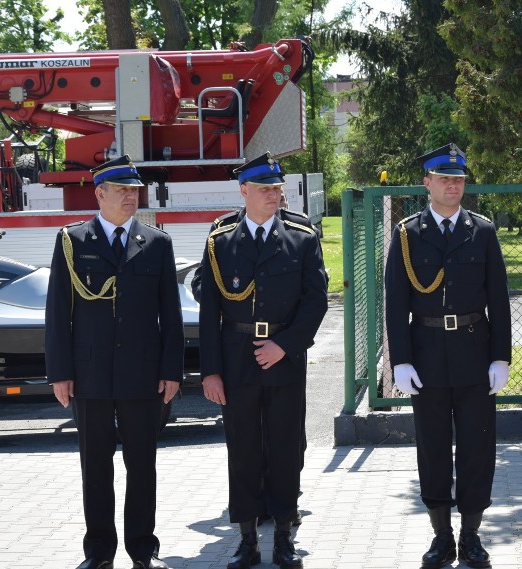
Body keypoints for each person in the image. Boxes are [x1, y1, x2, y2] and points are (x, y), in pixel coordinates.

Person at [45, 155, 184, 569]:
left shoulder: (157, 243)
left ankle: (143, 549)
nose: (130, 197)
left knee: (142, 465)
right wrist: (60, 372)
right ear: (100, 194)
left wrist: (171, 370)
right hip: (90, 375)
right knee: (95, 468)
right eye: (122, 190)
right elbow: (58, 311)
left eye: (134, 190)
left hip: (143, 374)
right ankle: (99, 552)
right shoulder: (73, 241)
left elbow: (170, 314)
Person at [384, 143, 511, 569]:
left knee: (477, 449)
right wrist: (400, 360)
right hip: (426, 358)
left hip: (475, 353)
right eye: (443, 178)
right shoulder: (407, 234)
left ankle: (471, 536)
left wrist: (501, 357)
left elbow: (500, 300)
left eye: (458, 179)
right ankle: (442, 537)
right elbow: (395, 303)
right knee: (433, 449)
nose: (452, 185)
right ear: (427, 183)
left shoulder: (483, 231)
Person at [199, 152, 328, 569]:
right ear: (244, 192)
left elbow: (315, 301)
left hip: (284, 360)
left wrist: (285, 345)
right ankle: (247, 539)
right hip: (237, 360)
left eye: (277, 188)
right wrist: (211, 371)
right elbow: (209, 311)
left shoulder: (301, 237)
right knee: (243, 449)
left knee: (286, 446)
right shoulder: (221, 241)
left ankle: (285, 537)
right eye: (265, 189)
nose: (275, 194)